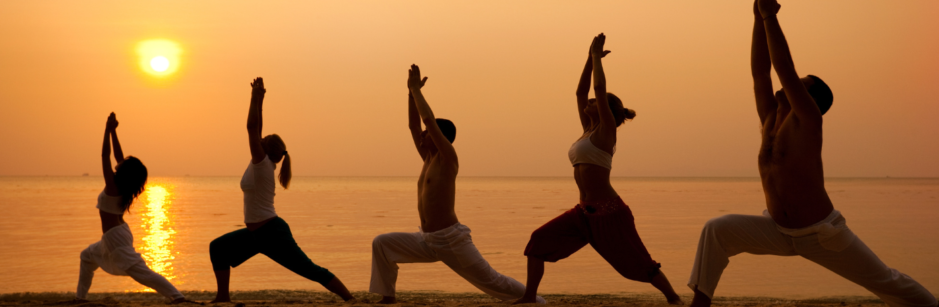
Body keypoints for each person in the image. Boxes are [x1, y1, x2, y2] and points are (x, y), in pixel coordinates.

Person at [687, 2, 938, 307]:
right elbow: (760, 73)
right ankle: (699, 304)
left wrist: (769, 16)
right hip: (778, 230)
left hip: (821, 234)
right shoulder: (770, 119)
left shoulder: (807, 119)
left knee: (886, 281)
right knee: (717, 229)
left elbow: (783, 68)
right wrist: (756, 18)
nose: (789, 85)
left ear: (809, 99)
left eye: (801, 84)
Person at [514, 34, 682, 305]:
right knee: (539, 241)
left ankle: (673, 299)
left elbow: (599, 90)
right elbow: (581, 92)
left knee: (637, 264)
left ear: (606, 110)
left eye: (595, 102)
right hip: (583, 213)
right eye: (590, 102)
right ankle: (530, 296)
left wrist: (597, 59)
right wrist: (588, 59)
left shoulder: (606, 130)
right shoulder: (586, 130)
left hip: (610, 213)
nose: (589, 102)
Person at [369, 65, 543, 304]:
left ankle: (534, 300)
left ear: (440, 137)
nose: (422, 135)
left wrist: (417, 91)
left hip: (450, 240)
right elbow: (413, 125)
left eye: (427, 133)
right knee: (382, 243)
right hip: (427, 240)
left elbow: (427, 119)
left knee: (492, 281)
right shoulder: (428, 159)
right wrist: (410, 93)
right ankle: (388, 297)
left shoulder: (447, 158)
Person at [208, 77, 354, 303]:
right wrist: (261, 99)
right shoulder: (262, 163)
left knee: (309, 269)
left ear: (266, 148)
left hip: (271, 233)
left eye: (263, 139)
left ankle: (350, 299)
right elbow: (257, 129)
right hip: (257, 234)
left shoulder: (262, 164)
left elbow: (251, 127)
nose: (260, 138)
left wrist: (253, 97)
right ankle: (222, 298)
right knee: (218, 248)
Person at [76, 112, 186, 303]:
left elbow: (105, 155)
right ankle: (80, 299)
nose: (121, 162)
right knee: (87, 257)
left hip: (116, 238)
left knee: (142, 273)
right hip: (115, 235)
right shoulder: (123, 187)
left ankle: (178, 297)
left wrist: (106, 130)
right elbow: (118, 156)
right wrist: (113, 132)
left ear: (125, 172)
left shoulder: (113, 186)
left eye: (124, 164)